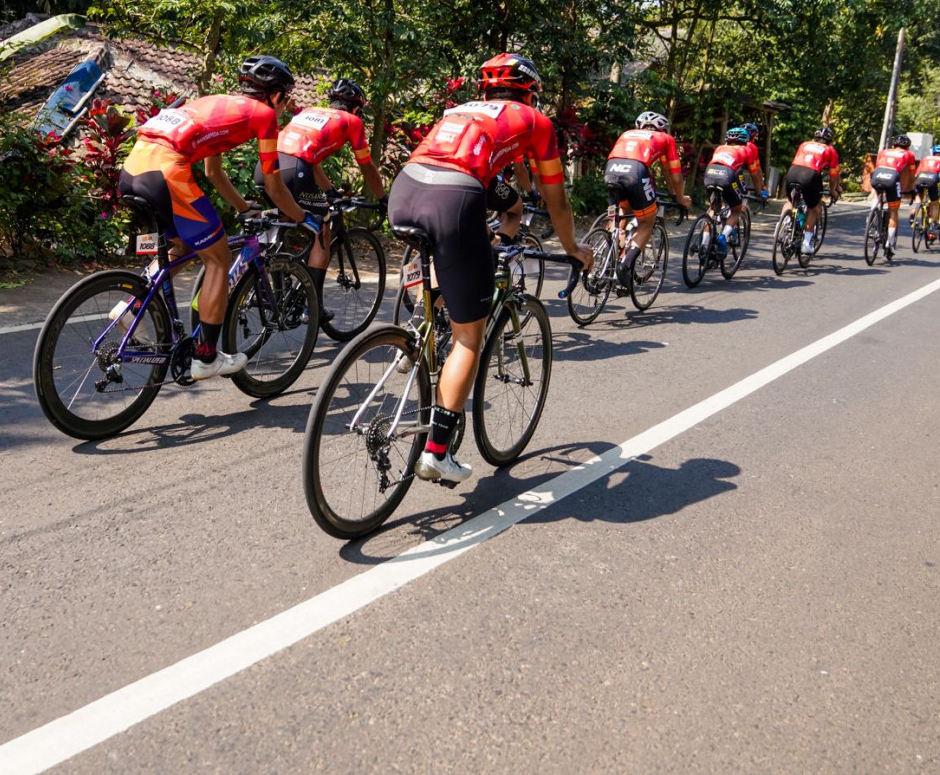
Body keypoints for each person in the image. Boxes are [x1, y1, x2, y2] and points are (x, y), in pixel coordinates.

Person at [389, 53, 592, 484]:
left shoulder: (462, 111)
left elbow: (480, 179)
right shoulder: (534, 120)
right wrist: (573, 247)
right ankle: (437, 452)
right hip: (456, 194)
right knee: (470, 338)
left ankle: (421, 325)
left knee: (454, 251)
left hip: (406, 187)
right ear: (530, 93)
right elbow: (556, 199)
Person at [118, 54, 317, 381]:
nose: (285, 106)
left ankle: (131, 306)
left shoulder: (217, 103)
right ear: (276, 95)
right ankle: (206, 358)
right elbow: (274, 185)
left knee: (182, 246)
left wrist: (243, 208)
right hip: (167, 173)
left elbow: (213, 171)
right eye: (287, 98)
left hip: (132, 170)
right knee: (219, 258)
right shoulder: (264, 115)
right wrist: (302, 217)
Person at [272, 77, 388, 313]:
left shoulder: (309, 112)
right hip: (296, 170)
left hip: (267, 166)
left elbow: (309, 158)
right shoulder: (352, 121)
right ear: (356, 108)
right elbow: (366, 167)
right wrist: (383, 198)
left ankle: (277, 287)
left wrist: (330, 191)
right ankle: (312, 306)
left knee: (284, 219)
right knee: (322, 228)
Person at [604, 111, 693, 289]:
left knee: (621, 212)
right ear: (663, 128)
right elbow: (674, 175)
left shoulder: (627, 133)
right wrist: (680, 198)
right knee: (647, 222)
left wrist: (672, 192)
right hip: (635, 172)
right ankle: (625, 266)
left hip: (611, 170)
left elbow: (664, 171)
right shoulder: (665, 138)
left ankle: (610, 253)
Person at [701, 124, 765, 256]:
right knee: (736, 208)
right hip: (728, 175)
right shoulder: (746, 149)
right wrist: (760, 192)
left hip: (709, 174)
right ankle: (723, 237)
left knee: (713, 208)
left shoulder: (720, 147)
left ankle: (704, 243)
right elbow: (754, 174)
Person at [783, 125, 842, 255]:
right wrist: (833, 190)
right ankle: (806, 243)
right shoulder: (830, 150)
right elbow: (834, 174)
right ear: (830, 141)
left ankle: (783, 225)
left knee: (791, 201)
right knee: (814, 207)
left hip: (793, 172)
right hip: (810, 175)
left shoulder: (804, 144)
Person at [869, 135, 918, 260]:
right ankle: (890, 243)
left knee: (878, 193)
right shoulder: (909, 154)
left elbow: (877, 166)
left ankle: (871, 214)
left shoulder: (884, 151)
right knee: (893, 210)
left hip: (877, 174)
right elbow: (911, 174)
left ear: (893, 145)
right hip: (893, 176)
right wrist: (912, 188)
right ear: (907, 147)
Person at [912, 143, 940, 240]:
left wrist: (913, 188)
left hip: (920, 178)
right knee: (935, 204)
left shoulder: (925, 158)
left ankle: (913, 214)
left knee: (919, 198)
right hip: (932, 178)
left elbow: (916, 174)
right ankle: (932, 228)